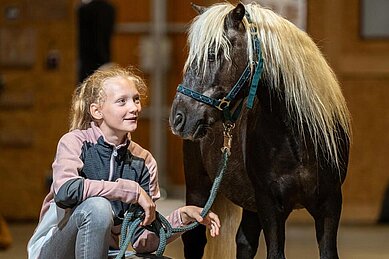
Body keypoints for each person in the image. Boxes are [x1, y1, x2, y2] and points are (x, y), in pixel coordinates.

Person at [27, 65, 220, 259]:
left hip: (106, 253)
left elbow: (142, 242)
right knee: (98, 207)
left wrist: (181, 218)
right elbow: (65, 192)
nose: (134, 108)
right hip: (54, 252)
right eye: (122, 101)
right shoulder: (74, 141)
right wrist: (131, 191)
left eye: (136, 99)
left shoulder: (144, 161)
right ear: (97, 111)